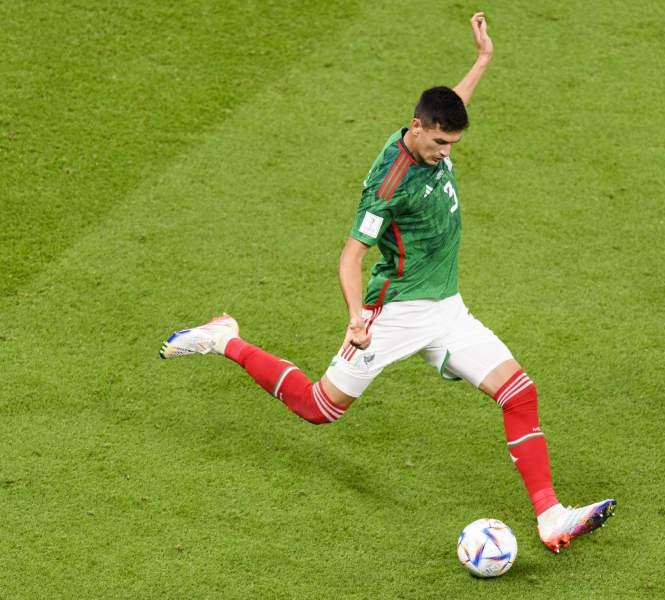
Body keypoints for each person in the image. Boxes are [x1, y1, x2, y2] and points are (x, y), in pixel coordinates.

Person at [160, 12, 615, 553]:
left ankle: (550, 518)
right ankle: (224, 337)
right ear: (417, 127)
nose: (446, 152)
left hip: (446, 308)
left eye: (453, 142)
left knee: (520, 393)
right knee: (318, 408)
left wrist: (483, 60)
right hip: (393, 312)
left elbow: (452, 106)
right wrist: (357, 317)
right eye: (440, 142)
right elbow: (350, 256)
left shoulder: (432, 131)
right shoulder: (390, 183)